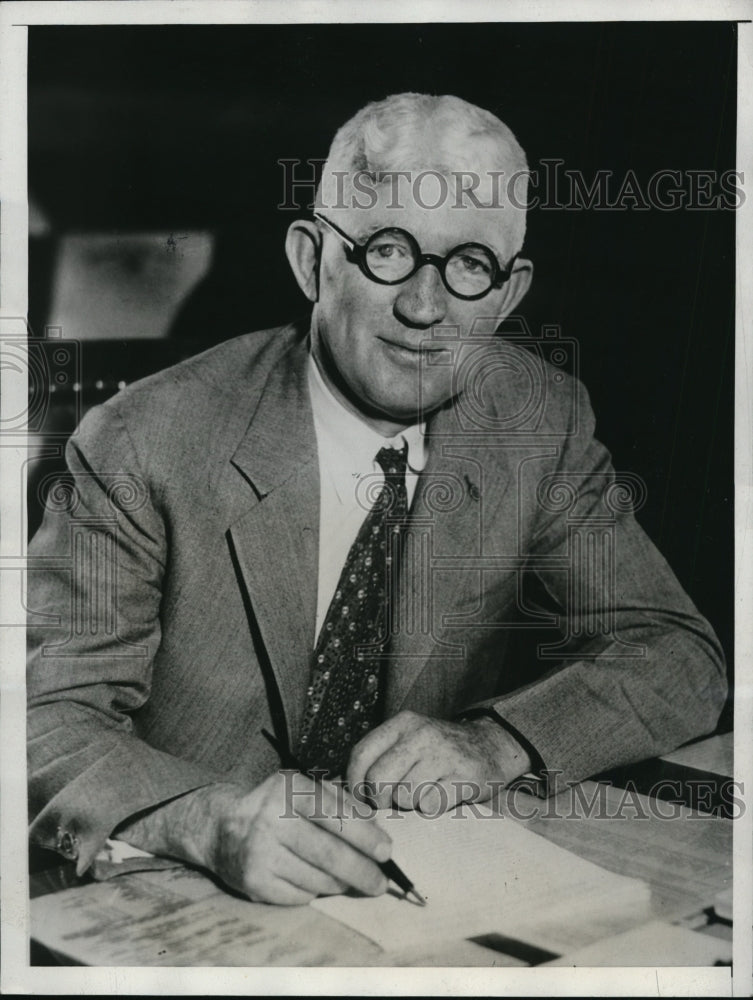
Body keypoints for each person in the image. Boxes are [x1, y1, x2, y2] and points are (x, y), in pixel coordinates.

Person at [27, 93, 726, 906]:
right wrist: (204, 821)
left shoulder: (536, 422)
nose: (425, 309)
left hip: (411, 905)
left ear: (507, 292)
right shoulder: (143, 439)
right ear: (309, 259)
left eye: (469, 265)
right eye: (389, 251)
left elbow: (678, 654)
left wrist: (498, 743)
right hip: (170, 894)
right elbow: (42, 719)